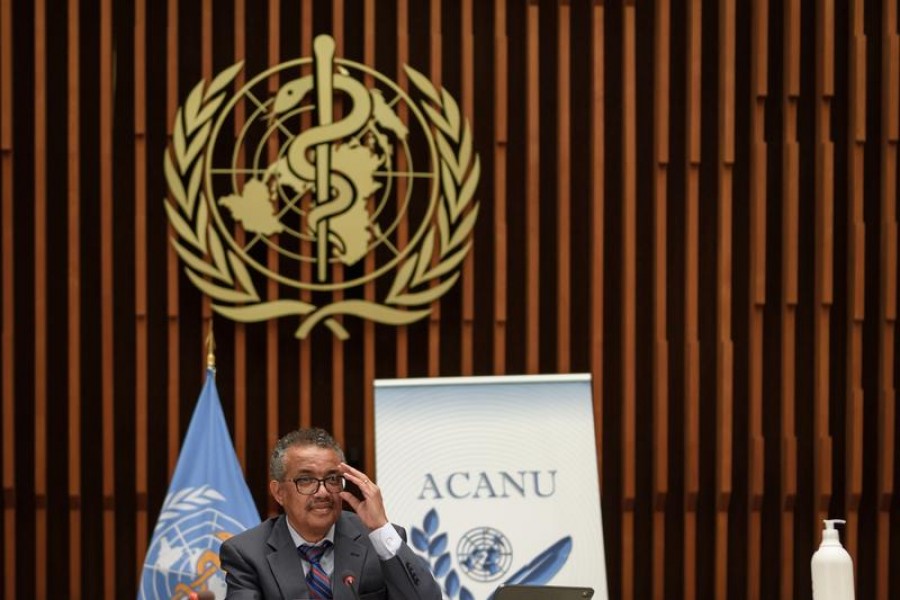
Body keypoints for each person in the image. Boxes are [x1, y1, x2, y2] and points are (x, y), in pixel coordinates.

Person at [219, 428, 441, 600]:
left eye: (333, 479)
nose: (323, 492)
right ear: (278, 492)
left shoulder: (376, 541)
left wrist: (381, 528)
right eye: (305, 480)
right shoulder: (247, 553)